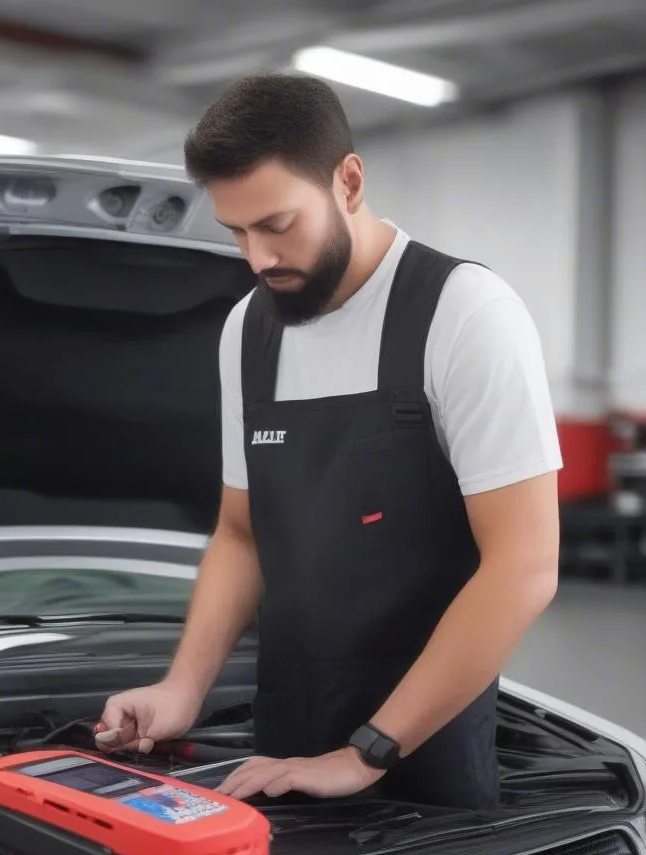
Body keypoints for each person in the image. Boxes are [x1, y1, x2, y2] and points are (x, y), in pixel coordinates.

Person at [94, 73, 563, 811]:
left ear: (348, 181)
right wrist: (182, 689)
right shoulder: (247, 328)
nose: (257, 257)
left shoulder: (466, 313)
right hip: (281, 741)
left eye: (278, 224)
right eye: (237, 232)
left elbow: (525, 568)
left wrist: (368, 751)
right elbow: (242, 533)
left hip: (423, 756)